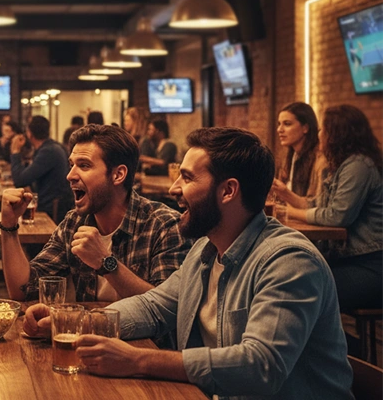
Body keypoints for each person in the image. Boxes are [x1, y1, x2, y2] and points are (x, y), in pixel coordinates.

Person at [26, 127, 353, 400]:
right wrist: (65, 322)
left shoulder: (289, 260)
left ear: (228, 191)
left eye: (186, 178)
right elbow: (154, 307)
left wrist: (139, 359)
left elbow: (260, 366)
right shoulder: (206, 251)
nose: (173, 189)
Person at [1, 124, 189, 303]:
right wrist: (9, 227)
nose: (70, 175)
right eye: (72, 165)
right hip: (91, 334)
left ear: (118, 175)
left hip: (143, 338)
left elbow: (167, 308)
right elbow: (23, 289)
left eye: (84, 165)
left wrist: (105, 263)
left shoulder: (165, 226)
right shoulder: (75, 222)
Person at [288, 105, 383, 312]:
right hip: (347, 260)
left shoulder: (358, 166)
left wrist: (292, 213)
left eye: (323, 129)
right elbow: (317, 204)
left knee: (300, 287)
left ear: (337, 134)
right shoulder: (342, 165)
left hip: (369, 265)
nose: (319, 134)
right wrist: (288, 201)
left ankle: (328, 345)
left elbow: (338, 216)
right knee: (290, 275)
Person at [9, 116, 74, 222]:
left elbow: (19, 180)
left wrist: (15, 152)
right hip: (54, 207)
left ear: (29, 133)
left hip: (51, 213)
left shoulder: (49, 151)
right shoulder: (53, 146)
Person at [269, 102, 323, 205]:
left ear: (305, 128)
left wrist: (285, 193)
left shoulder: (319, 158)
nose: (279, 129)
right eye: (279, 124)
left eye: (287, 124)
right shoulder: (288, 156)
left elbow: (316, 205)